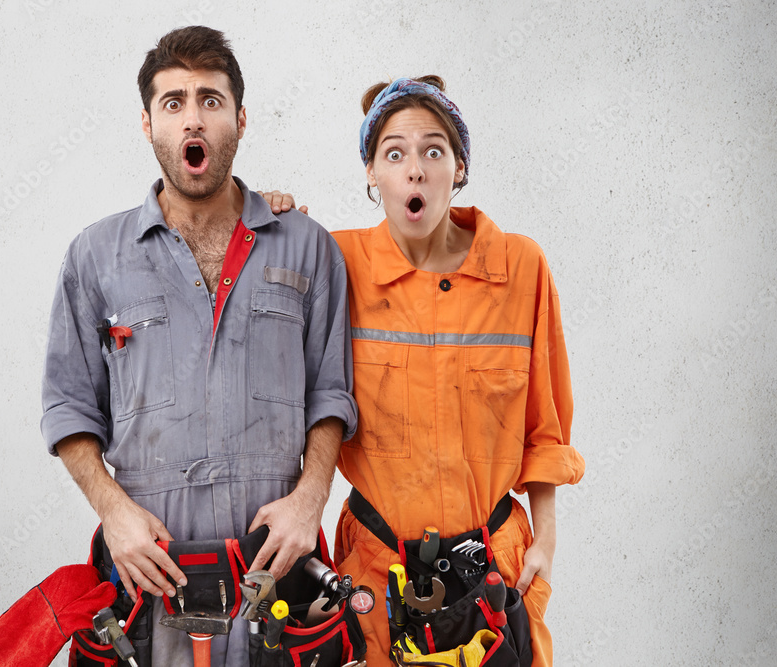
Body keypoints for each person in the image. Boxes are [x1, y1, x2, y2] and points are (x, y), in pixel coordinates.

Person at [40, 26, 357, 666]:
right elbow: (68, 408)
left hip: (272, 586)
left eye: (211, 100)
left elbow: (331, 392)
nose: (194, 117)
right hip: (147, 589)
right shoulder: (96, 257)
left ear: (239, 119)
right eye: (174, 101)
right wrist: (115, 515)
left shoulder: (307, 247)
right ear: (148, 123)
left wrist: (310, 498)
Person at [330, 76, 585, 666]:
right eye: (393, 153)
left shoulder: (520, 267)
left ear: (459, 167)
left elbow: (545, 425)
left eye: (433, 150)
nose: (414, 169)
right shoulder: (335, 263)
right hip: (377, 568)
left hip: (493, 571)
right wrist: (275, 214)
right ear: (372, 173)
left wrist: (545, 535)